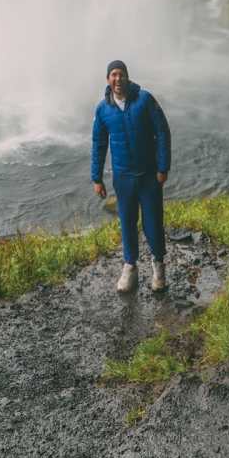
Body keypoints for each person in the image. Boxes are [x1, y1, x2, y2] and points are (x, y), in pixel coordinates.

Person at [91, 58, 171, 294]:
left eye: (121, 74)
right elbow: (98, 144)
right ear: (108, 80)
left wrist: (163, 168)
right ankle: (130, 267)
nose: (117, 79)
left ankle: (158, 266)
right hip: (123, 178)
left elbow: (162, 132)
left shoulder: (144, 100)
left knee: (153, 222)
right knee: (127, 222)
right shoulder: (103, 109)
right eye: (113, 75)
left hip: (149, 176)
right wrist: (96, 178)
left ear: (127, 77)